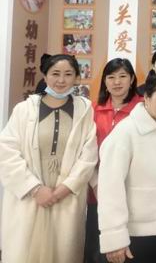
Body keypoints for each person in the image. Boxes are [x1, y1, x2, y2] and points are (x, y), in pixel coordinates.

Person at [0, 54, 98, 263]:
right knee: (24, 251)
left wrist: (64, 189)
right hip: (29, 195)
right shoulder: (24, 110)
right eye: (55, 74)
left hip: (67, 195)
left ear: (76, 77)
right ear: (45, 76)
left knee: (63, 251)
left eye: (68, 74)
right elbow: (6, 151)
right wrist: (35, 189)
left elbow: (88, 156)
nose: (61, 80)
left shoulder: (84, 109)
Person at [98, 73, 156, 263]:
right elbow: (110, 188)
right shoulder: (126, 132)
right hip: (133, 234)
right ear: (147, 97)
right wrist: (115, 238)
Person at [85, 58, 141, 263]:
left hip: (133, 191)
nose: (117, 82)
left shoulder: (142, 109)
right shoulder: (93, 109)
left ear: (132, 79)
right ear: (105, 81)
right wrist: (96, 183)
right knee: (98, 249)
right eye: (111, 77)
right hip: (97, 191)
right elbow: (86, 151)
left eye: (123, 76)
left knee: (131, 250)